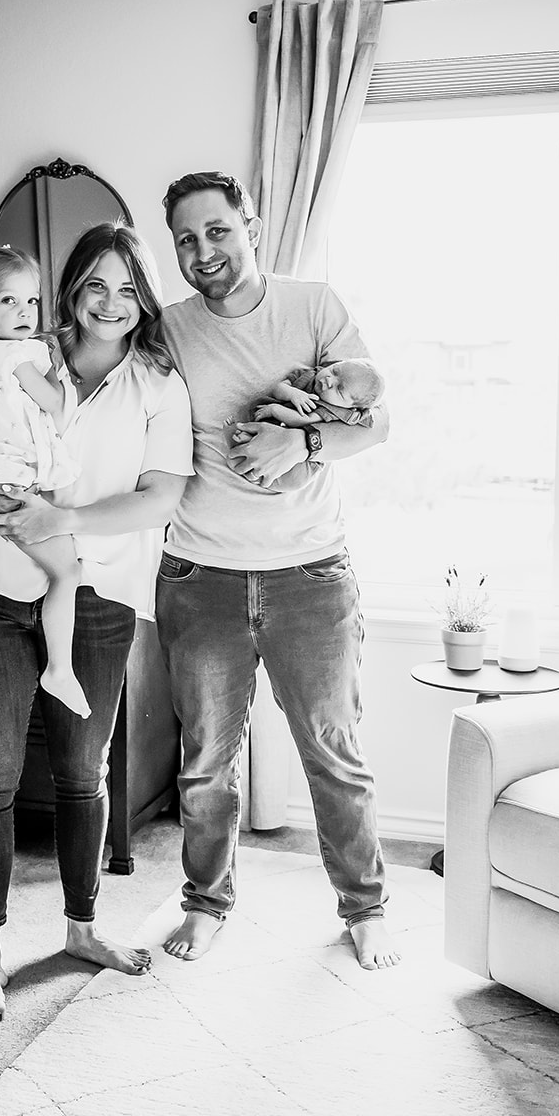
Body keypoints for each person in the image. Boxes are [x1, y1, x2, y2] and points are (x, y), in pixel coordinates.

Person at [0, 224, 193, 1021]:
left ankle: (81, 929)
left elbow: (160, 498)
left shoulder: (158, 384)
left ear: (144, 299)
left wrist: (62, 516)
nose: (110, 303)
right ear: (71, 290)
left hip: (97, 595)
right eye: (95, 285)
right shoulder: (16, 348)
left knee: (83, 772)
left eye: (128, 289)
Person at [155, 171, 398, 971]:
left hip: (311, 576)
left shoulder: (314, 306)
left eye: (217, 230)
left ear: (251, 227)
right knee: (204, 765)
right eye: (186, 239)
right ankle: (205, 904)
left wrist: (304, 441)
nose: (203, 251)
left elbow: (377, 422)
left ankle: (366, 909)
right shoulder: (170, 328)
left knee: (334, 753)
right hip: (200, 577)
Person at [0, 246, 89, 718]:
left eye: (31, 301)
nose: (25, 312)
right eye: (9, 301)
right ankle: (59, 669)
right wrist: (61, 375)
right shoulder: (20, 355)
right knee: (66, 573)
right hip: (14, 488)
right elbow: (56, 407)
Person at [229, 356, 386, 491]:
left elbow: (303, 420)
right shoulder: (310, 375)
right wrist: (292, 393)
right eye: (335, 371)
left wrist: (275, 410)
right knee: (257, 422)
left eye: (339, 389)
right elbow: (279, 388)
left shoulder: (332, 410)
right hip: (277, 428)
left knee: (296, 479)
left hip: (303, 457)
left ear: (351, 407)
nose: (329, 380)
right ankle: (246, 440)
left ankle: (259, 475)